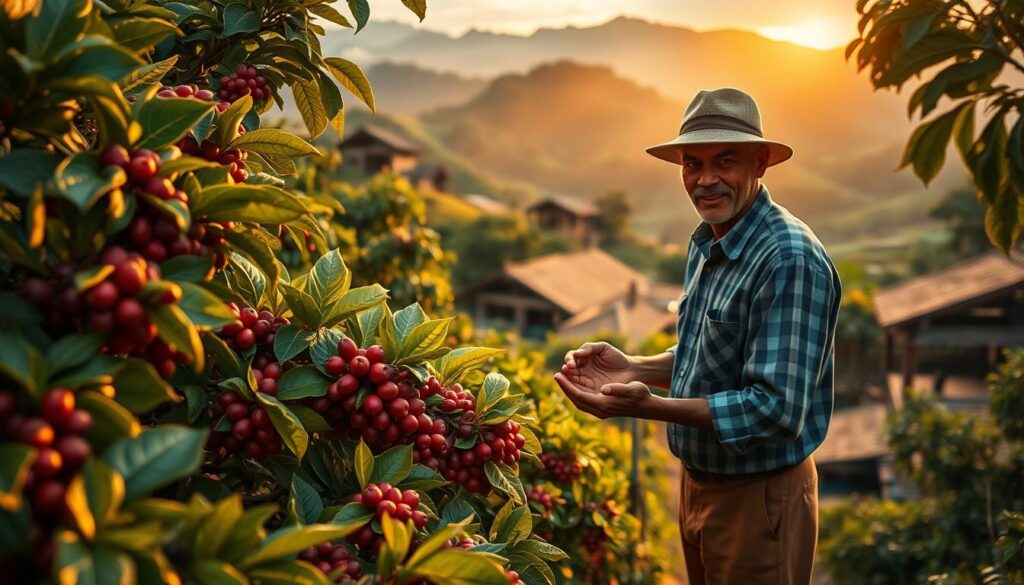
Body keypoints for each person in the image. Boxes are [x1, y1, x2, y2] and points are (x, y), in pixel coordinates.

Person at [553, 87, 842, 585]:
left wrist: (650, 407)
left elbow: (774, 409)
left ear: (761, 161)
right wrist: (636, 367)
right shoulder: (710, 239)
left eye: (724, 161)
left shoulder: (788, 260)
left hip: (759, 496)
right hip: (697, 483)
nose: (705, 181)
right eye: (692, 164)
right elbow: (709, 352)